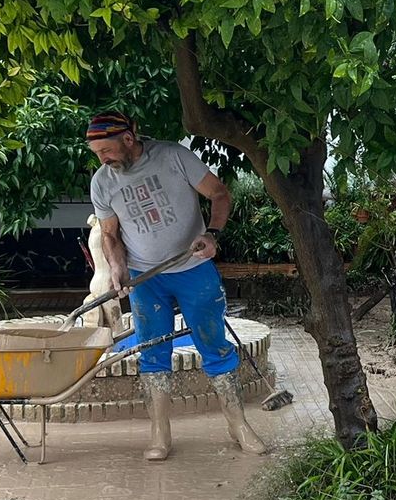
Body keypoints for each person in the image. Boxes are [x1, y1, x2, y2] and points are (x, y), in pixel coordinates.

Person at [86, 111, 266, 460]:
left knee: (214, 345)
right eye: (97, 153)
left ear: (128, 139)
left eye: (106, 150)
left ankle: (239, 425)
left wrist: (212, 234)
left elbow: (220, 194)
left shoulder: (173, 156)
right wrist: (118, 268)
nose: (102, 159)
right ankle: (160, 434)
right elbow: (109, 235)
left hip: (193, 269)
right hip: (145, 278)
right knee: (152, 352)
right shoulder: (102, 182)